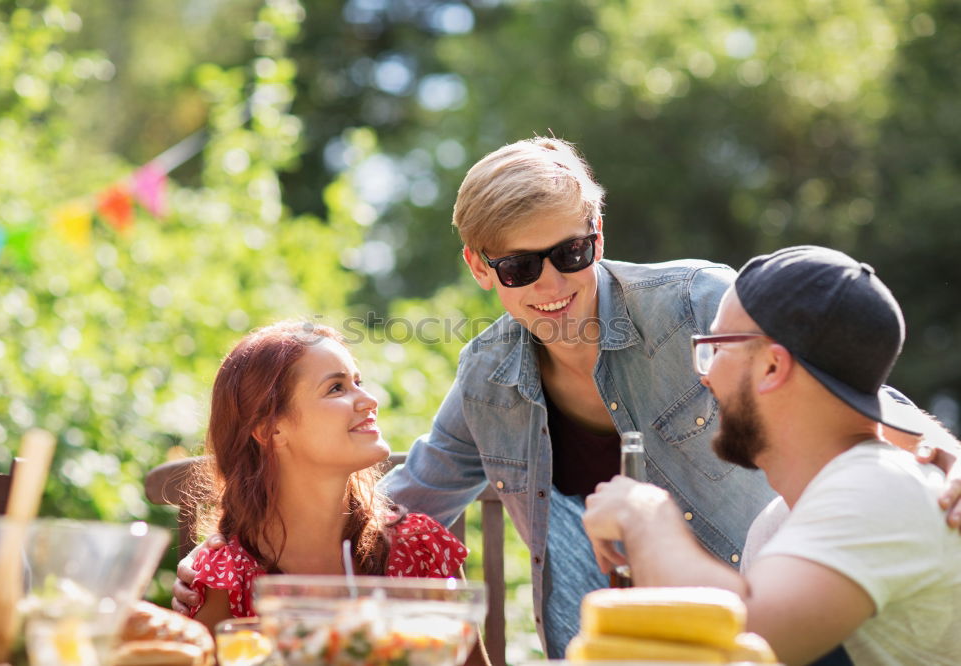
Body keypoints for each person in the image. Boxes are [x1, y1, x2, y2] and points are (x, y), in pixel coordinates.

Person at [173, 138, 961, 655]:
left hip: (769, 611)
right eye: (518, 268)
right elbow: (397, 503)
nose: (549, 287)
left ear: (598, 232)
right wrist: (239, 561)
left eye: (569, 253)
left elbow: (852, 397)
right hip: (621, 642)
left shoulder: (699, 305)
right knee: (570, 511)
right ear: (480, 269)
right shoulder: (490, 380)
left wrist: (948, 459)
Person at [582, 246, 961, 666]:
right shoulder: (779, 523)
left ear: (771, 367)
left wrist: (644, 514)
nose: (704, 375)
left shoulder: (879, 486)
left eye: (716, 347)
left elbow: (742, 640)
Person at [181, 320, 468, 629]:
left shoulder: (419, 547)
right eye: (336, 388)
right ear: (270, 429)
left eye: (358, 382)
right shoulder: (228, 576)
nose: (370, 401)